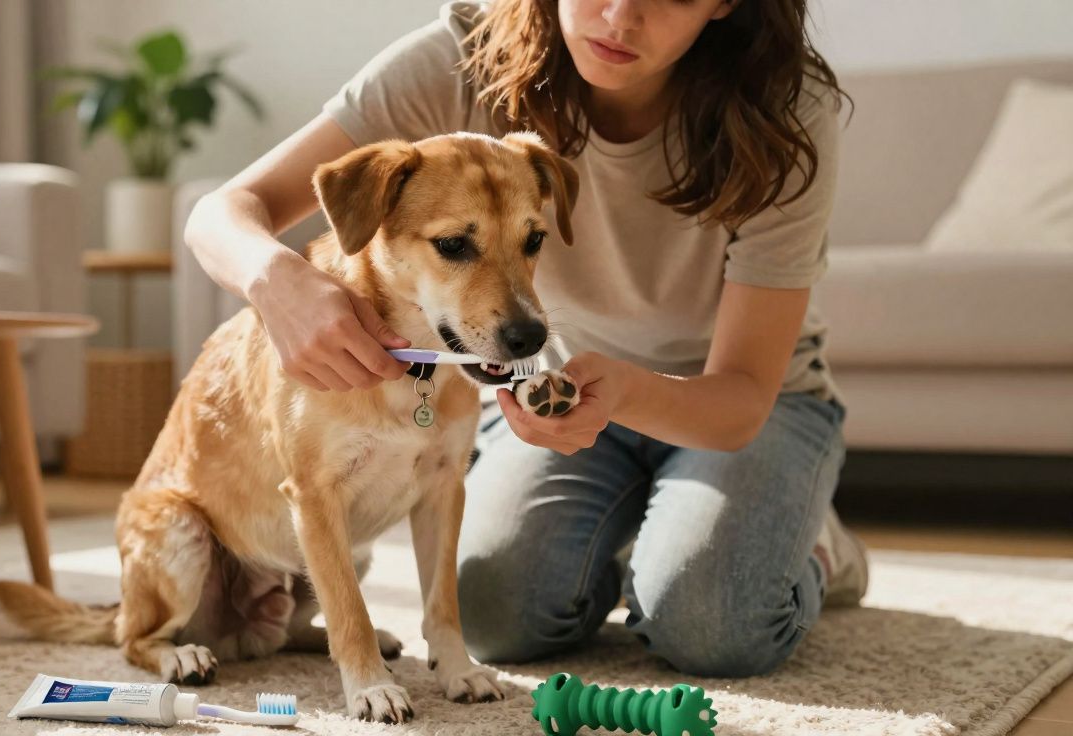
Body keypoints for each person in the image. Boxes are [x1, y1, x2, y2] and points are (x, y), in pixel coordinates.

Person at [185, 0, 869, 678]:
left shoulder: (784, 111)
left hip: (738, 409)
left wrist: (628, 391)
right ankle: (651, 543)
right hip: (559, 393)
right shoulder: (465, 55)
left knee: (713, 621)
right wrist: (277, 281)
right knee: (497, 617)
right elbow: (221, 214)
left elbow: (745, 397)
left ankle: (808, 548)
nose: (622, 17)